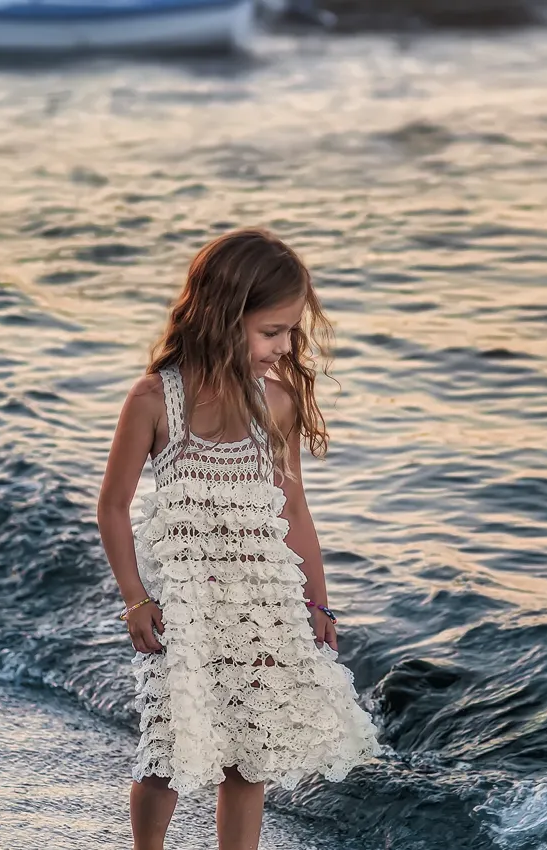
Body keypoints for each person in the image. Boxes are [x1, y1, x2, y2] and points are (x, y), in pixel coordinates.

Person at [97, 228, 382, 850]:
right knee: (166, 749)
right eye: (272, 332)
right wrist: (136, 599)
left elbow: (294, 508)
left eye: (291, 333)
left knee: (248, 752)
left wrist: (317, 599)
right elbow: (114, 507)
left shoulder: (275, 403)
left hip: (261, 601)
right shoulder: (154, 399)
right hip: (186, 604)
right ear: (224, 317)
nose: (285, 347)